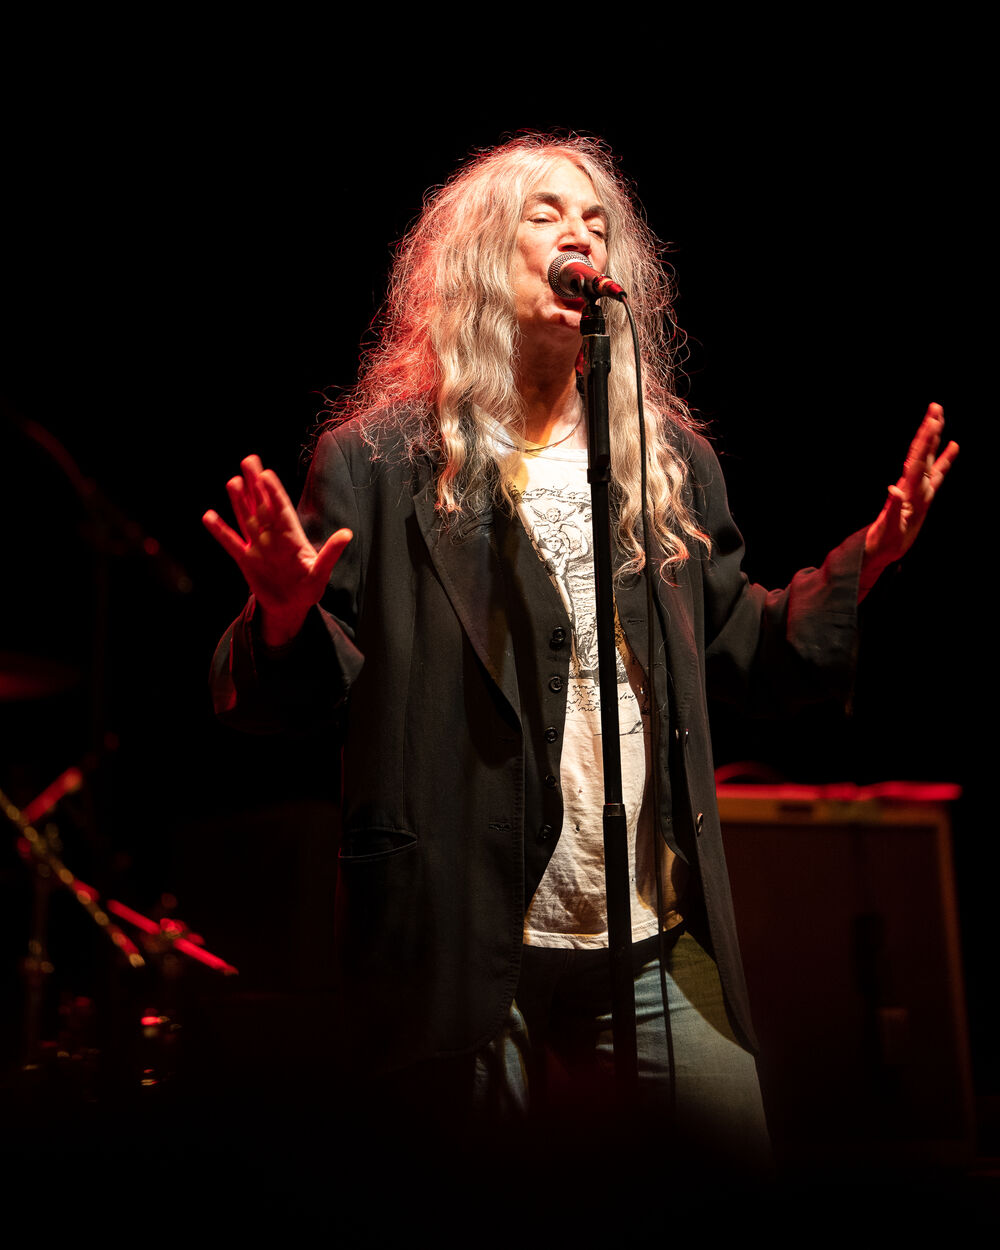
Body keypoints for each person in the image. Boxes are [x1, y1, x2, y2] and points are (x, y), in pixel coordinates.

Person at [203, 135, 957, 1174]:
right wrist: (284, 614)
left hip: (653, 928)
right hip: (465, 934)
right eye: (548, 214)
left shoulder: (665, 461)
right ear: (480, 256)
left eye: (598, 222)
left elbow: (742, 645)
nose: (581, 235)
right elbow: (294, 695)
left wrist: (867, 559)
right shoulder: (381, 461)